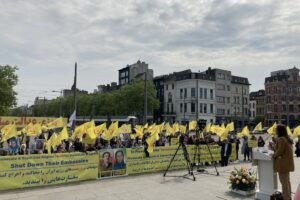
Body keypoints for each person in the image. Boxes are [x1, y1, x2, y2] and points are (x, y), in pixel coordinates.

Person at [272, 124, 294, 200]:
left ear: (279, 130)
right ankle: (289, 197)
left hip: (282, 165)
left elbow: (279, 152)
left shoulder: (281, 139)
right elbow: (282, 150)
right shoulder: (287, 138)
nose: (275, 131)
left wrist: (273, 155)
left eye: (276, 129)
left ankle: (286, 198)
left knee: (284, 183)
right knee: (287, 182)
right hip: (287, 164)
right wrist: (274, 145)